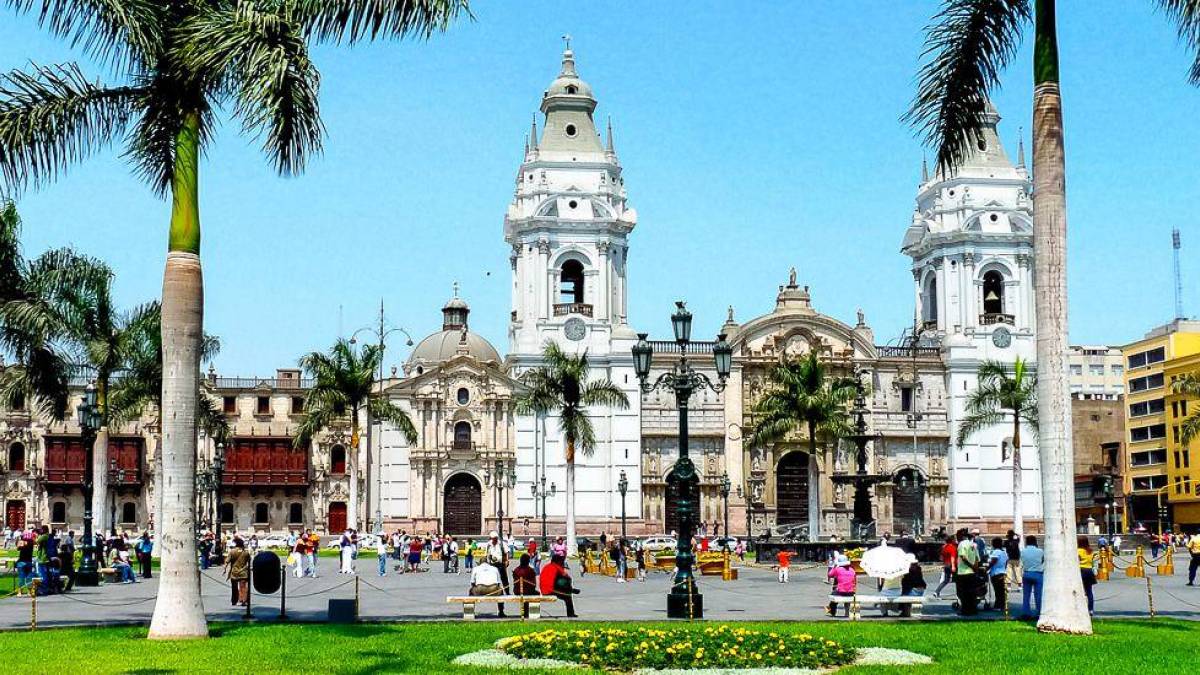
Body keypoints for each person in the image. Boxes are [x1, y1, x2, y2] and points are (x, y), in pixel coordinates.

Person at [539, 553, 579, 618]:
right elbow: (562, 581)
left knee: (566, 592)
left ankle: (571, 590)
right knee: (568, 597)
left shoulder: (547, 566)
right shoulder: (556, 568)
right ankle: (571, 614)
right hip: (550, 590)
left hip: (544, 589)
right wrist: (569, 589)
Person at [954, 530, 981, 615]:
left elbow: (963, 557)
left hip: (963, 571)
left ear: (961, 536)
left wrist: (971, 566)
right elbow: (977, 558)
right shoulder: (972, 544)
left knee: (964, 593)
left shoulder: (962, 544)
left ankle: (965, 610)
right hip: (972, 572)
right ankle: (973, 609)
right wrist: (975, 568)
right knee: (972, 593)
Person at [485, 531, 511, 617]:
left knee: (504, 577)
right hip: (492, 564)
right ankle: (493, 589)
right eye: (492, 539)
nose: (494, 540)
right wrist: (488, 562)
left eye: (495, 539)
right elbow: (487, 554)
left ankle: (507, 590)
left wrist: (507, 560)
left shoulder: (502, 544)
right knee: (494, 579)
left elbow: (506, 552)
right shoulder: (489, 544)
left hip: (500, 563)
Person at [1020, 535, 1045, 618]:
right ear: (1035, 542)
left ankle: (1026, 612)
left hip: (1027, 573)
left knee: (1026, 595)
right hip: (1038, 573)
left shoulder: (1023, 551)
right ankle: (1039, 611)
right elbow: (1043, 560)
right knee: (1038, 594)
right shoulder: (1040, 551)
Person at [225, 537, 251, 606]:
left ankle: (234, 601)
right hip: (243, 571)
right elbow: (249, 561)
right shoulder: (246, 552)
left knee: (234, 587)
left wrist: (225, 569)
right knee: (243, 587)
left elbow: (227, 562)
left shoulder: (232, 551)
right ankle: (244, 600)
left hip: (234, 572)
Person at [512, 553, 538, 618]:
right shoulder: (530, 570)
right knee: (536, 593)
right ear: (528, 561)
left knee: (526, 593)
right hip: (528, 591)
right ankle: (534, 614)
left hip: (517, 591)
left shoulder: (516, 570)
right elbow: (534, 585)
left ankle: (525, 613)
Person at [986, 537, 1009, 611]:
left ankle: (998, 606)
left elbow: (993, 561)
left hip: (996, 573)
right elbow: (1006, 563)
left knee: (998, 591)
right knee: (1001, 591)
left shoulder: (996, 552)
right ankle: (1002, 605)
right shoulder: (1004, 552)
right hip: (1003, 572)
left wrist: (987, 568)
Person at [1078, 536, 1098, 616]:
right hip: (1089, 571)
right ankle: (1091, 609)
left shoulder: (1078, 551)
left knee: (1080, 591)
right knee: (1089, 591)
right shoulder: (1090, 551)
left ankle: (1080, 608)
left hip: (1081, 570)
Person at [934, 534, 956, 598]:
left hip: (946, 565)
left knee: (946, 580)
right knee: (958, 579)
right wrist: (953, 566)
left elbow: (941, 557)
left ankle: (937, 591)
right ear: (952, 540)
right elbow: (952, 557)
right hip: (951, 565)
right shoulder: (952, 547)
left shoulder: (944, 547)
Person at [15, 531, 34, 596]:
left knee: (21, 578)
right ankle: (29, 592)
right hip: (29, 562)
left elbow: (17, 548)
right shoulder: (31, 543)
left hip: (22, 562)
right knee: (29, 578)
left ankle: (20, 592)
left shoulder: (22, 542)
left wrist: (19, 540)